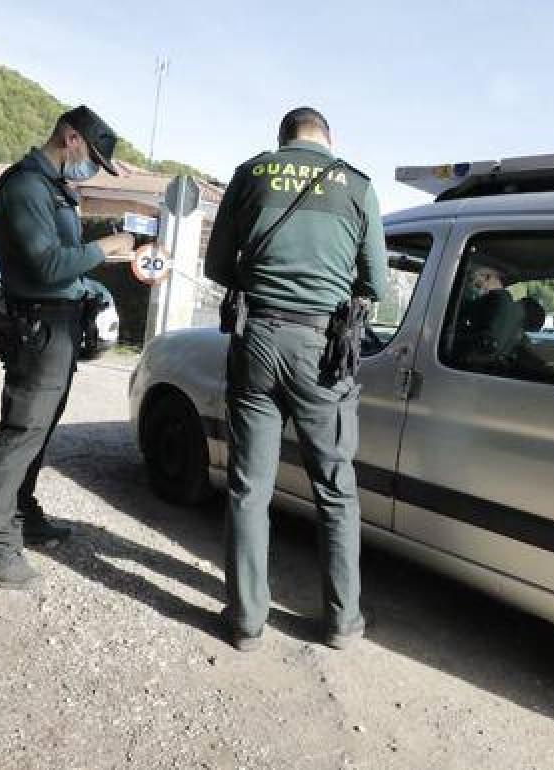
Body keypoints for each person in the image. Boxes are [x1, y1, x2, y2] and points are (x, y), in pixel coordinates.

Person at [204, 107, 387, 652]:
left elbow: (217, 264)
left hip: (256, 340)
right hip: (322, 352)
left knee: (249, 487)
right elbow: (374, 280)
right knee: (335, 490)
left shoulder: (251, 174)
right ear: (328, 139)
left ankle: (245, 623)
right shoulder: (356, 185)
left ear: (283, 138)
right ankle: (341, 621)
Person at [0, 106, 135, 590]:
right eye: (92, 157)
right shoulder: (25, 187)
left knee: (39, 430)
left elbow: (64, 261)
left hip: (58, 325)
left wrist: (103, 252)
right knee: (22, 428)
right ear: (71, 138)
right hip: (37, 325)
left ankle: (20, 512)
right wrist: (106, 249)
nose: (91, 169)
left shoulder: (53, 189)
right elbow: (45, 266)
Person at [451, 258, 524, 368]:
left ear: (487, 277)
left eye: (476, 284)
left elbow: (460, 309)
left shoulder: (493, 299)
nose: (475, 289)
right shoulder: (514, 307)